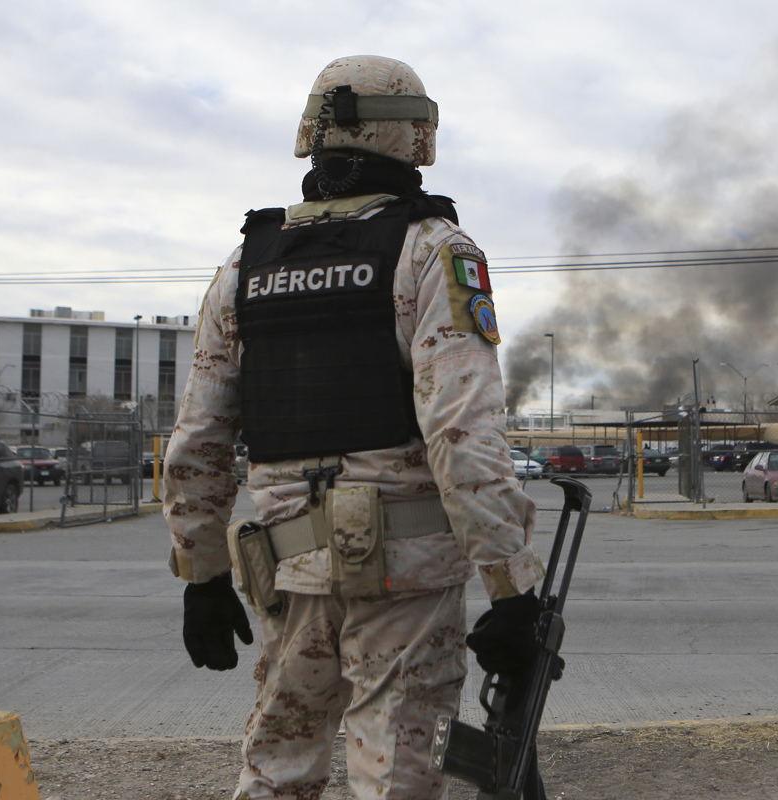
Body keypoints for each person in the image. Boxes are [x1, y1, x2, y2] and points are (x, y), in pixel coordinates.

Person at [163, 55, 543, 799]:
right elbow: (461, 433)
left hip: (285, 566)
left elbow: (197, 441)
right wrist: (511, 586)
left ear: (314, 135)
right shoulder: (434, 250)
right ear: (414, 138)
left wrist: (200, 577)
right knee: (394, 775)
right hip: (405, 572)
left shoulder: (247, 263)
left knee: (276, 767)